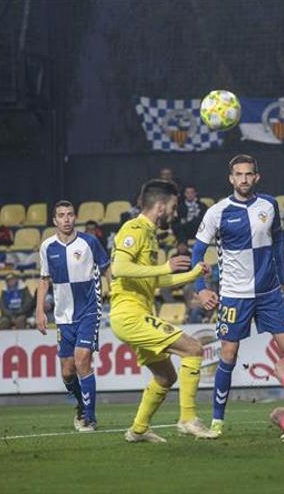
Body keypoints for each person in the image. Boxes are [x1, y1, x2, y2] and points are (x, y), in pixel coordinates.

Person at [191, 154, 284, 436]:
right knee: (228, 353)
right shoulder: (217, 212)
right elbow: (197, 254)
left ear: (256, 177)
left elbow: (278, 242)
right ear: (231, 178)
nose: (244, 179)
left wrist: (282, 278)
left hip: (269, 292)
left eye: (249, 174)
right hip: (235, 295)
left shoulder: (269, 205)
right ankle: (217, 421)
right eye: (239, 174)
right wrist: (200, 290)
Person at [110, 179, 217, 442]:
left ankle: (138, 429)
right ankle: (188, 418)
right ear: (160, 206)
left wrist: (192, 274)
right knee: (193, 348)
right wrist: (165, 267)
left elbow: (154, 280)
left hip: (139, 314)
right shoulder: (133, 228)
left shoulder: (150, 234)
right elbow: (119, 268)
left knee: (165, 376)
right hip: (129, 315)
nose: (175, 212)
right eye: (173, 206)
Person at [36, 201, 111, 431]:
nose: (66, 219)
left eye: (69, 215)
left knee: (82, 360)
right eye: (61, 215)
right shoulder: (47, 247)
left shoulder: (89, 241)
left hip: (89, 310)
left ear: (75, 217)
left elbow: (107, 268)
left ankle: (90, 417)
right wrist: (39, 310)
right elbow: (44, 280)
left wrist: (116, 292)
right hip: (63, 316)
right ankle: (81, 404)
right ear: (54, 220)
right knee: (68, 372)